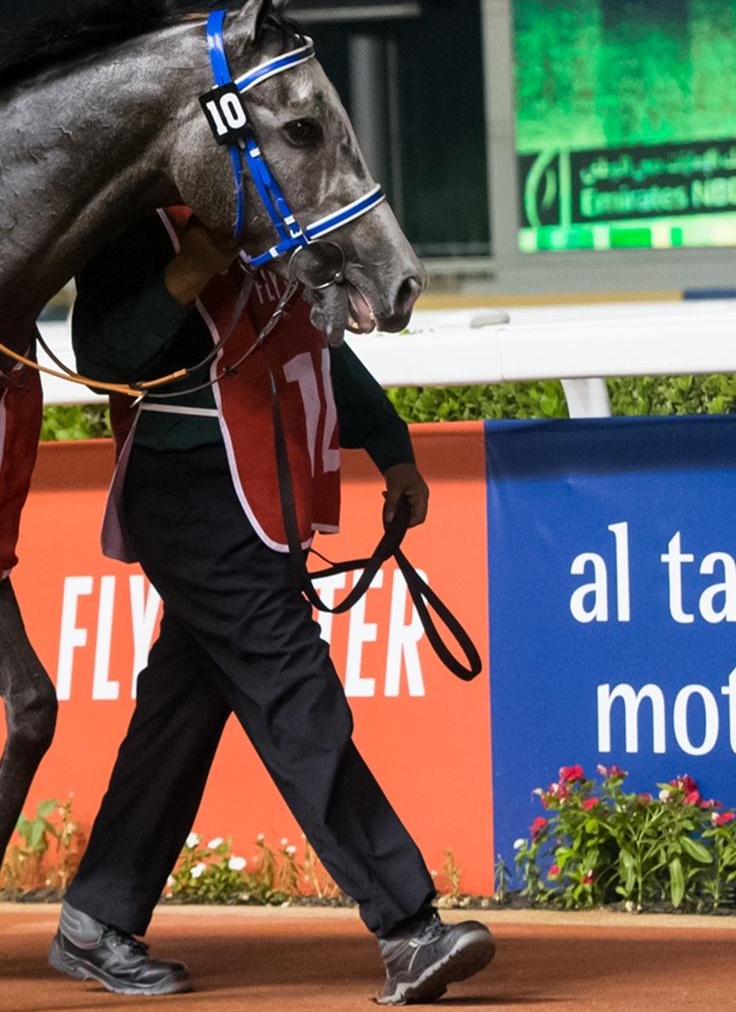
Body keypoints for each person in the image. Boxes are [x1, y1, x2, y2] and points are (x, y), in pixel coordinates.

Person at [45, 207, 494, 1006]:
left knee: (177, 719)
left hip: (256, 508)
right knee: (297, 698)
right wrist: (186, 275)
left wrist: (392, 449)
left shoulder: (262, 225)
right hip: (186, 499)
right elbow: (102, 357)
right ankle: (407, 928)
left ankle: (94, 919)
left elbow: (318, 352)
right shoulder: (131, 228)